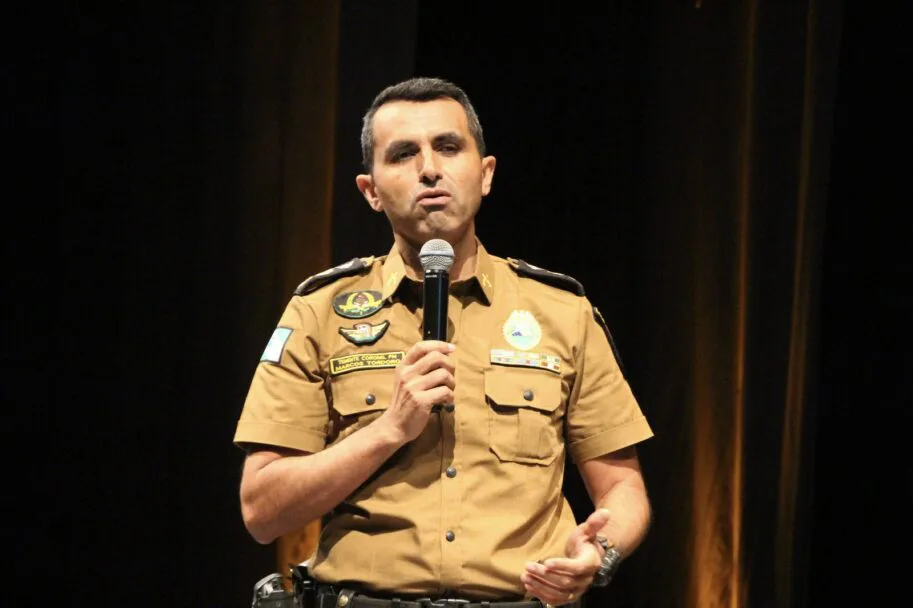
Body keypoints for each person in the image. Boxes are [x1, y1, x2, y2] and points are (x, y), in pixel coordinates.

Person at [234, 77, 654, 607]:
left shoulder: (562, 313)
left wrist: (600, 553)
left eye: (448, 147)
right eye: (403, 154)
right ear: (370, 191)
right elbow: (262, 511)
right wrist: (388, 430)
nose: (429, 168)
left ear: (486, 174)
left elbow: (623, 489)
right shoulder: (317, 313)